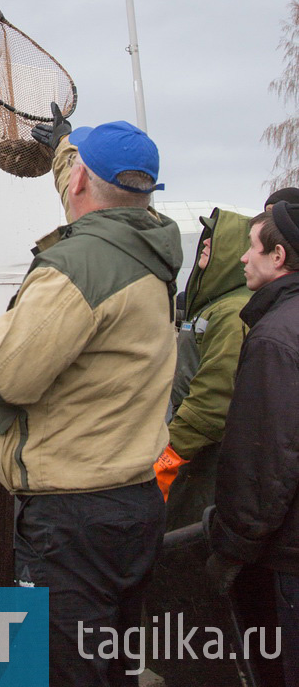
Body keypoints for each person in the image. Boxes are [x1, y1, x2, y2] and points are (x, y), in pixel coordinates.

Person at [0, 107, 182, 686]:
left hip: (73, 521)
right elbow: (98, 184)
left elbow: (0, 373)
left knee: (60, 669)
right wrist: (66, 146)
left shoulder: (81, 265)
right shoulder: (150, 244)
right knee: (112, 661)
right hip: (133, 502)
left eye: (74, 169)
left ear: (83, 182)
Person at [207, 202, 299, 684]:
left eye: (253, 247)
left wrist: (233, 544)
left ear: (278, 255)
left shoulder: (275, 337)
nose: (243, 258)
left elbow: (266, 458)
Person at [154, 208, 251, 530]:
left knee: (184, 537)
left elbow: (215, 397)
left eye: (216, 237)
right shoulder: (214, 304)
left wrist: (169, 453)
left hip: (202, 454)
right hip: (191, 447)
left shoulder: (233, 311)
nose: (205, 242)